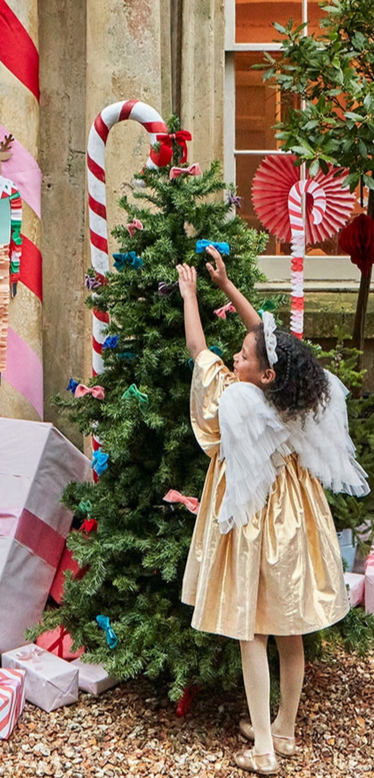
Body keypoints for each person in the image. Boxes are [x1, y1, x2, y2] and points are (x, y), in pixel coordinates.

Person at [178, 247, 368, 775]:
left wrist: (192, 295)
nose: (235, 358)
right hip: (297, 520)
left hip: (255, 521)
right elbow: (271, 338)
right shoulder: (301, 396)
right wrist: (228, 286)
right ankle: (283, 728)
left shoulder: (235, 402)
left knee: (252, 633)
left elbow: (199, 348)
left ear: (261, 376)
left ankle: (262, 748)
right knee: (289, 630)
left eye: (241, 356)